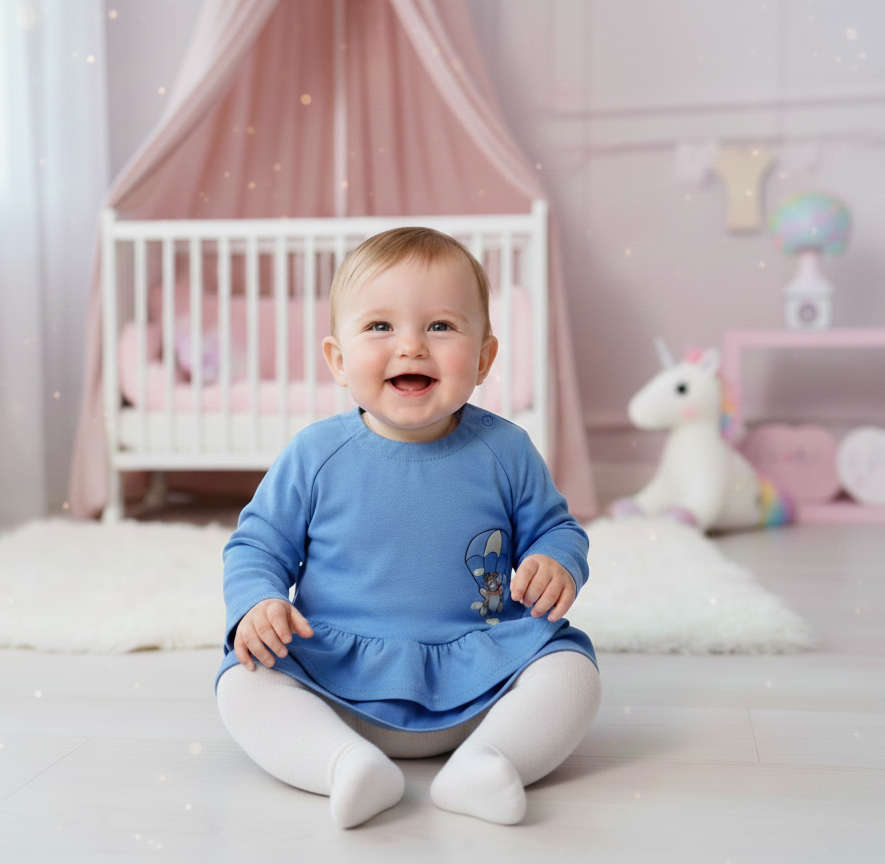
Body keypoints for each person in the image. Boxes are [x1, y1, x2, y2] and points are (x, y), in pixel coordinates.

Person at [215, 227, 600, 829]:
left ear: (484, 357)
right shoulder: (315, 455)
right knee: (245, 679)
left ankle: (487, 762)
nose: (412, 347)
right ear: (338, 360)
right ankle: (344, 765)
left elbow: (557, 529)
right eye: (379, 327)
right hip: (337, 676)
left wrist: (555, 562)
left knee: (571, 671)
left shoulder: (506, 449)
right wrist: (258, 602)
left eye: (441, 326)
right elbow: (258, 544)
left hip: (481, 672)